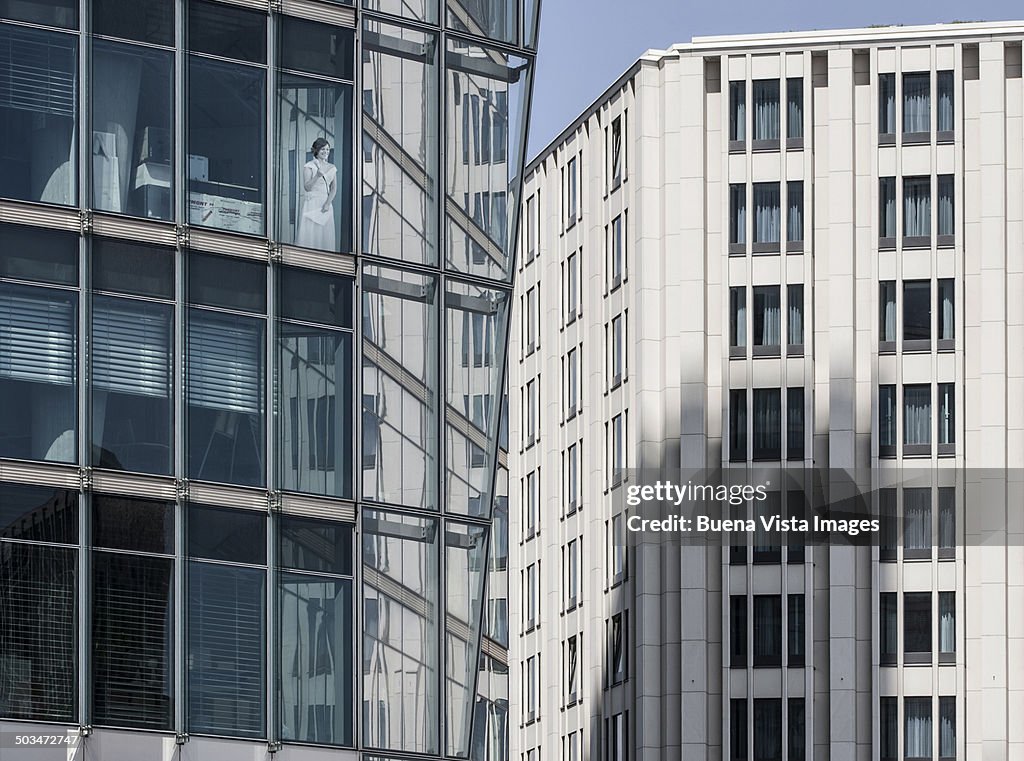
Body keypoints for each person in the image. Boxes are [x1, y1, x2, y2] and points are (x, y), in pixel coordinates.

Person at [296, 138, 337, 250]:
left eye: (328, 149)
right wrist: (317, 176)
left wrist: (328, 203)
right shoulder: (309, 166)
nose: (326, 152)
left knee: (324, 234)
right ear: (317, 150)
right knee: (311, 232)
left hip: (325, 203)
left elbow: (333, 188)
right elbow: (307, 187)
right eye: (323, 149)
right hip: (312, 202)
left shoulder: (332, 168)